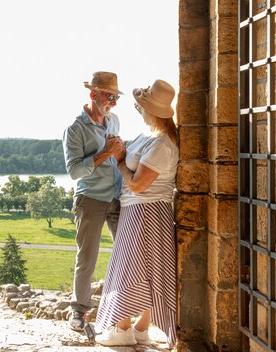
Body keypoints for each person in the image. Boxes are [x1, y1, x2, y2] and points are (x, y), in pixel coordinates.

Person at [94, 79, 179, 348]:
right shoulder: (151, 136)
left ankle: (122, 330)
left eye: (140, 106)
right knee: (142, 269)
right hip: (140, 211)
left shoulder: (162, 144)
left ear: (151, 110)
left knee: (132, 269)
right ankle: (140, 329)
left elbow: (139, 185)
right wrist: (123, 149)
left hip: (146, 212)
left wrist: (120, 160)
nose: (138, 109)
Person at [62, 71, 126, 331]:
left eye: (115, 98)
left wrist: (120, 150)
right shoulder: (75, 129)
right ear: (93, 94)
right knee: (87, 258)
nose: (113, 102)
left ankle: (122, 309)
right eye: (109, 97)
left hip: (118, 197)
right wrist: (104, 153)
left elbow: (118, 156)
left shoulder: (114, 121)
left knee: (127, 254)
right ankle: (78, 312)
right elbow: (74, 171)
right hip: (90, 199)